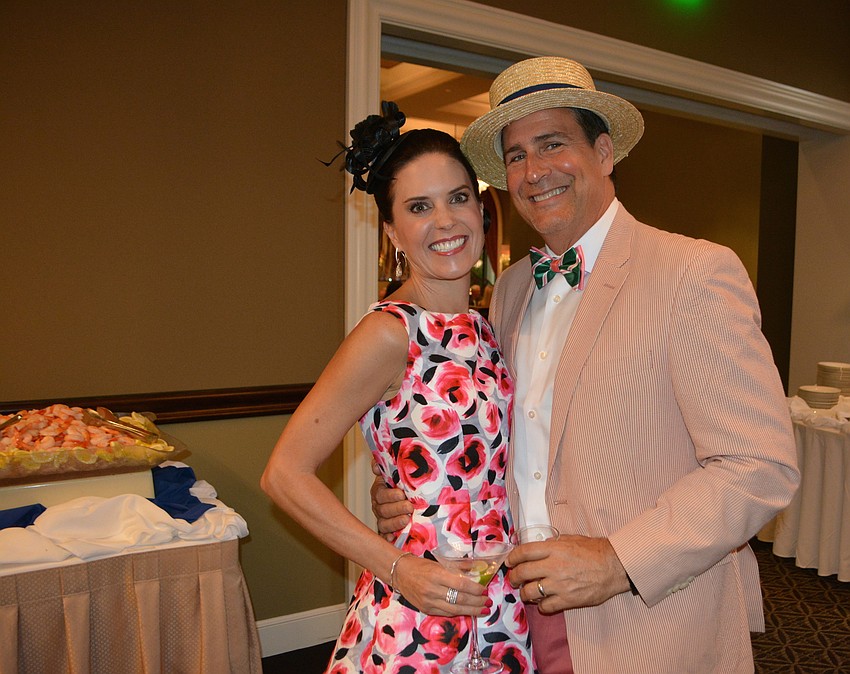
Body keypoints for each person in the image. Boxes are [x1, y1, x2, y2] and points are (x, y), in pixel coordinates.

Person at [372, 57, 800, 673]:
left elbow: (760, 465)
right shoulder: (513, 287)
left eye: (552, 144)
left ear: (604, 152)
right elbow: (486, 430)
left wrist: (617, 560)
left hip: (654, 621)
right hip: (519, 611)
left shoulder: (693, 273)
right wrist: (414, 488)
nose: (533, 171)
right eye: (516, 155)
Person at [261, 102, 535, 673]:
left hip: (496, 601)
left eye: (459, 198)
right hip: (419, 611)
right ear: (392, 231)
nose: (446, 221)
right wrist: (398, 567)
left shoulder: (486, 325)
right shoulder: (389, 333)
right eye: (419, 207)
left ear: (482, 211)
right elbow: (284, 475)